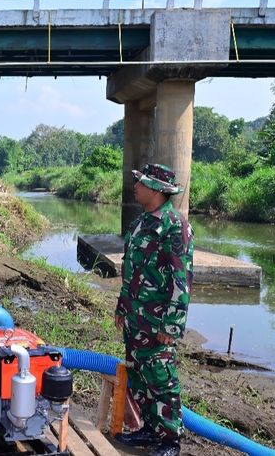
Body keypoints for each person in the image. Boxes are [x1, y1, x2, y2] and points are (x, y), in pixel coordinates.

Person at [114, 163, 194, 456]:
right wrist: (122, 307)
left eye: (141, 182)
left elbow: (181, 280)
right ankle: (150, 428)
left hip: (158, 321)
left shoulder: (175, 226)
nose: (135, 186)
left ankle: (170, 439)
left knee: (161, 377)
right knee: (138, 373)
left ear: (158, 190)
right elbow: (130, 269)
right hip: (135, 318)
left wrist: (171, 326)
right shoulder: (140, 223)